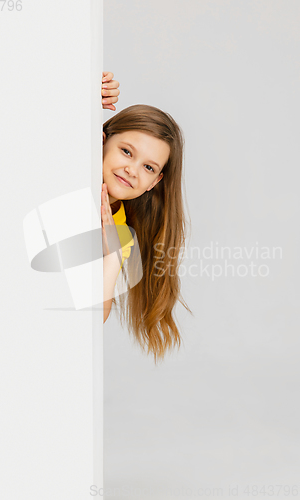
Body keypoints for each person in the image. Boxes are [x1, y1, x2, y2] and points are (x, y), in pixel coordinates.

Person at [100, 72, 192, 364]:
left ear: (155, 182)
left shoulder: (121, 232)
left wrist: (112, 257)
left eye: (149, 168)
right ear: (101, 141)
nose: (132, 170)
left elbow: (91, 318)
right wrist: (83, 95)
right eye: (126, 152)